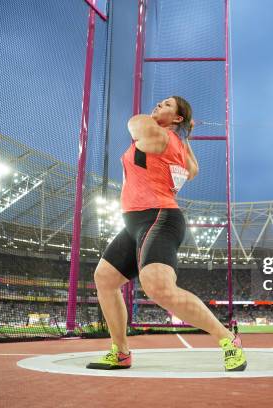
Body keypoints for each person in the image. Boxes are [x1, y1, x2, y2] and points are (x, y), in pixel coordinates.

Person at [87, 96, 247, 371]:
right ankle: (121, 351)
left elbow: (133, 123)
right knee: (105, 278)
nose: (159, 106)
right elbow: (193, 170)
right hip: (134, 221)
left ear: (177, 118)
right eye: (159, 103)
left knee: (158, 287)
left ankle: (229, 340)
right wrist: (187, 136)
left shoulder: (152, 131)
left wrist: (177, 129)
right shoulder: (177, 147)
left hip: (159, 217)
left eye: (167, 105)